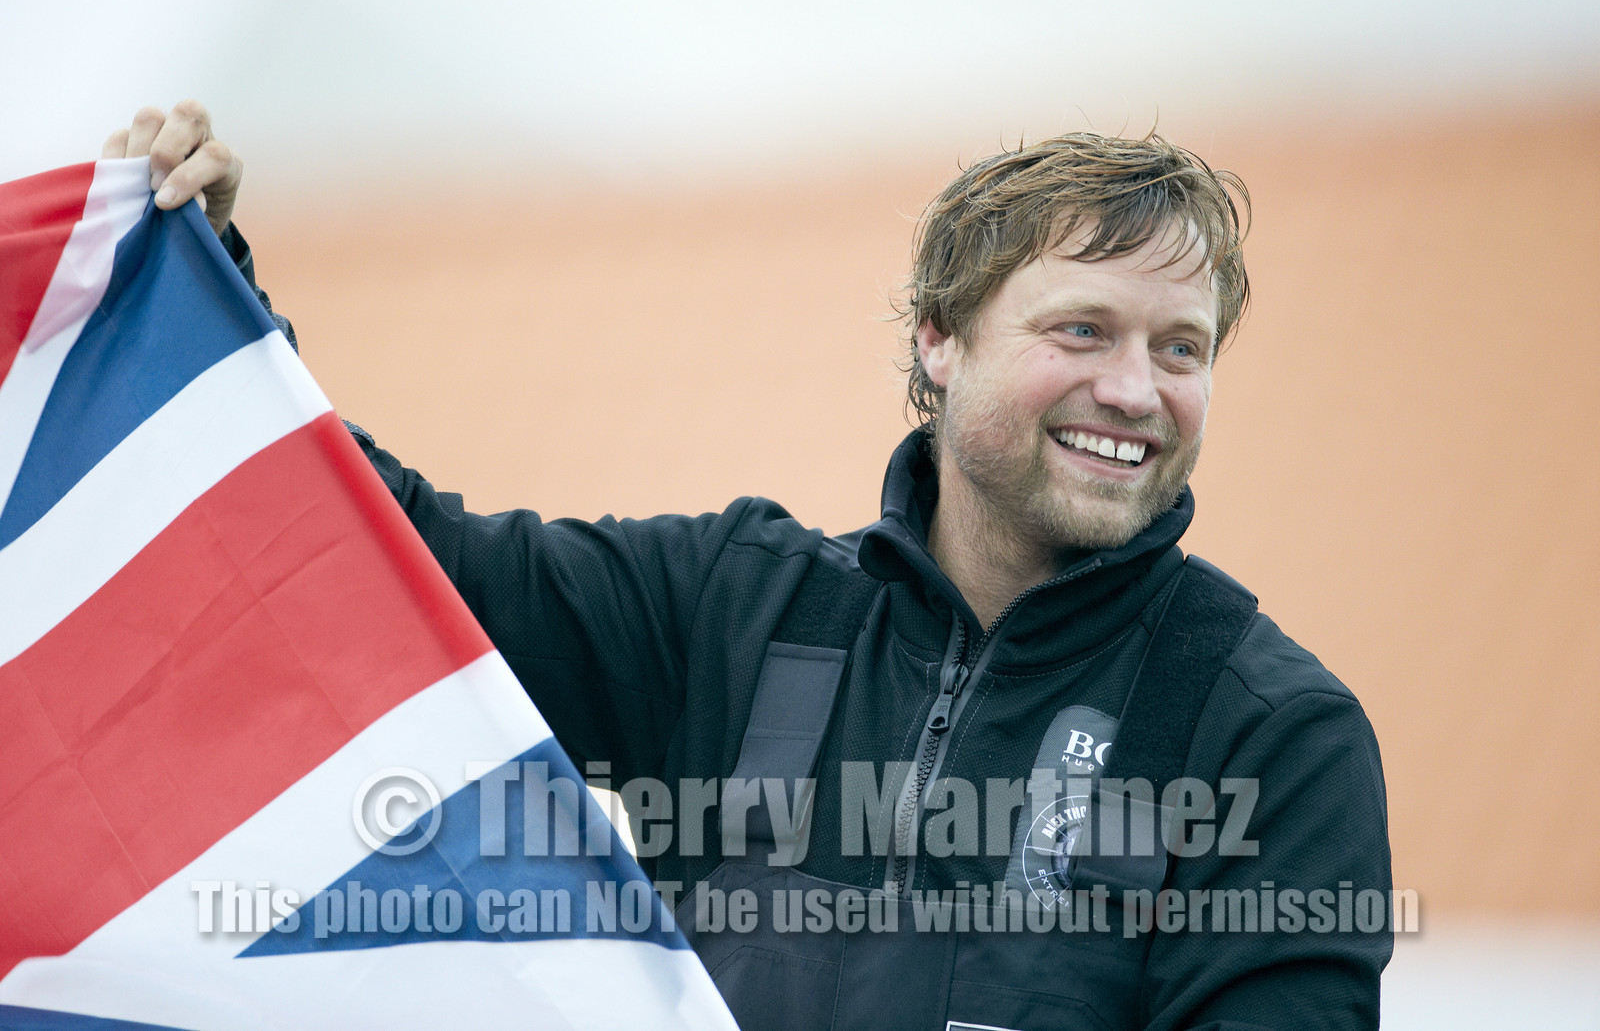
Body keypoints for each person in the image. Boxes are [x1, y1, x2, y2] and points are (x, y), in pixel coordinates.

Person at [111, 102, 1392, 1030]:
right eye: (1082, 329)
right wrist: (200, 299)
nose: (1135, 389)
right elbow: (389, 565)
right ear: (941, 338)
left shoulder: (1275, 734)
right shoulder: (734, 602)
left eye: (1181, 348)